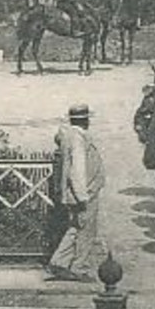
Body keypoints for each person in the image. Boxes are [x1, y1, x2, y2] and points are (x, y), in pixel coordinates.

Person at [48, 103, 107, 281]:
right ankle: (78, 267)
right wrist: (83, 197)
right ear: (85, 121)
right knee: (86, 231)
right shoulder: (78, 139)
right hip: (84, 193)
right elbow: (77, 170)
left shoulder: (69, 136)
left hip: (77, 193)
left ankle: (59, 262)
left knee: (76, 227)